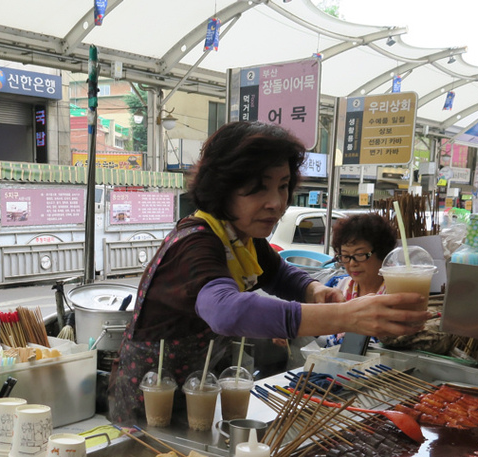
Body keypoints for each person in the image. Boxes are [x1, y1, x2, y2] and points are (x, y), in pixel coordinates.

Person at [107, 121, 431, 424]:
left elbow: (279, 274)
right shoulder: (197, 244)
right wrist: (345, 316)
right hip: (148, 397)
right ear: (223, 187)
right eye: (258, 187)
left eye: (283, 186)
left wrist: (314, 291)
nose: (276, 203)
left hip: (197, 388)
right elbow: (226, 311)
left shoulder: (242, 236)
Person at [320, 213, 399, 347]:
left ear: (382, 252)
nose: (352, 264)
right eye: (345, 256)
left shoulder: (396, 293)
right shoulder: (336, 286)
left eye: (360, 255)